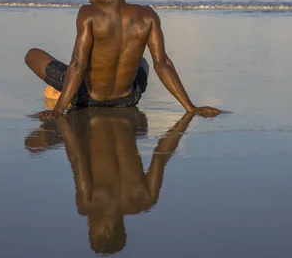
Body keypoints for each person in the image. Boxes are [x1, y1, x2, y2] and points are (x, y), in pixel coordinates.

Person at [25, 0, 221, 120]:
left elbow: (78, 64)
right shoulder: (148, 16)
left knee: (32, 54)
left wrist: (59, 110)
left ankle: (60, 96)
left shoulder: (89, 13)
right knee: (143, 62)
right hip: (127, 100)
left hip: (86, 98)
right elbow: (162, 64)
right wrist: (190, 107)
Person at [24, 107, 197, 255]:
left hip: (134, 119)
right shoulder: (88, 204)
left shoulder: (145, 200)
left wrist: (186, 120)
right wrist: (61, 120)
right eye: (91, 230)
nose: (89, 224)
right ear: (107, 231)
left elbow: (160, 158)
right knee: (32, 145)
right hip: (96, 109)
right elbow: (76, 159)